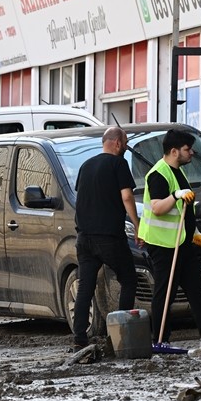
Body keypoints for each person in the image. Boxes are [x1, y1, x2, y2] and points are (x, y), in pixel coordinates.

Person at [138, 128, 201, 349]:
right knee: (165, 292)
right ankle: (160, 340)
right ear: (174, 151)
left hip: (181, 242)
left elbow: (183, 209)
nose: (192, 153)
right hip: (164, 244)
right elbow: (157, 208)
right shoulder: (159, 174)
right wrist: (175, 195)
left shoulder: (178, 172)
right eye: (188, 149)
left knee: (197, 287)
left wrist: (193, 231)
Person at [71, 126, 140, 349]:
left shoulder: (85, 166)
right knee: (128, 279)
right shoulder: (119, 164)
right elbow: (127, 196)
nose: (126, 147)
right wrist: (137, 226)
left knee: (85, 287)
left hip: (84, 237)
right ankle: (118, 336)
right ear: (118, 143)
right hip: (110, 237)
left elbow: (81, 197)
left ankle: (80, 338)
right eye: (126, 142)